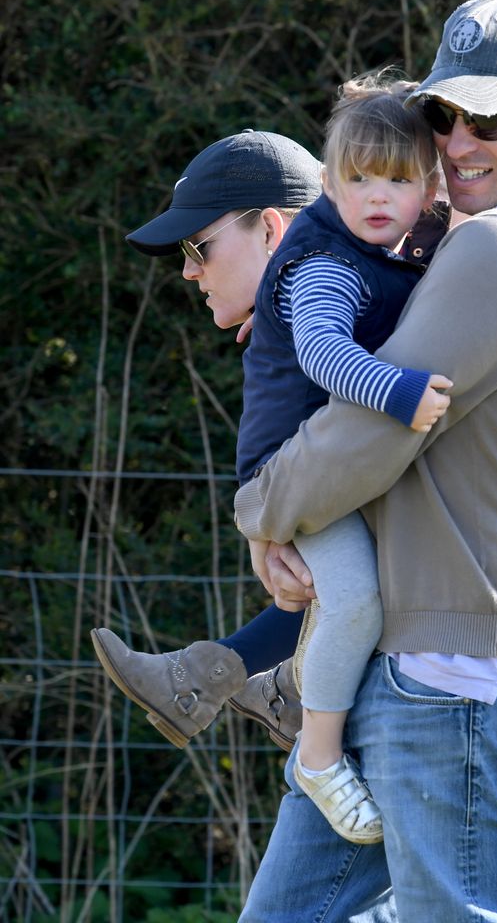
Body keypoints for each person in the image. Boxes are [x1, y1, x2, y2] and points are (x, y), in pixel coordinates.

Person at [232, 0, 497, 922]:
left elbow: (363, 437)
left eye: (488, 117)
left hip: (460, 689)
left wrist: (260, 512)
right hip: (425, 670)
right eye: (443, 113)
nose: (454, 141)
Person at [91, 100, 454, 789]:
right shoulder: (304, 318)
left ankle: (240, 684)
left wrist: (269, 518)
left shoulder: (351, 297)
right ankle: (249, 682)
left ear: (271, 229)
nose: (189, 272)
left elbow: (354, 445)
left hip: (428, 687)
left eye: (199, 248)